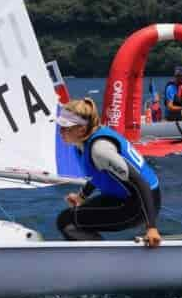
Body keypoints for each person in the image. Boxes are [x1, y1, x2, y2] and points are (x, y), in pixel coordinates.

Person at [55, 98, 162, 247]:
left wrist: (151, 228)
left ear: (81, 129)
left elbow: (140, 182)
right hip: (125, 198)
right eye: (60, 126)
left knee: (67, 221)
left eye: (65, 128)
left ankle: (104, 260)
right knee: (73, 216)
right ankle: (98, 255)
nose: (60, 132)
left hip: (141, 203)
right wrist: (82, 196)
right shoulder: (81, 142)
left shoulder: (100, 149)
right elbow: (98, 173)